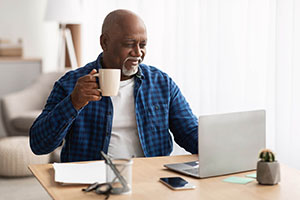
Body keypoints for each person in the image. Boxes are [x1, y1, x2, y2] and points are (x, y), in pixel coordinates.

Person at [30, 9, 198, 162]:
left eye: (143, 45)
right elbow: (39, 145)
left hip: (150, 178)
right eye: (129, 44)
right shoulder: (71, 84)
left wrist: (219, 148)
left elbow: (190, 133)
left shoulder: (161, 84)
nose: (138, 53)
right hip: (90, 180)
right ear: (105, 43)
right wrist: (73, 103)